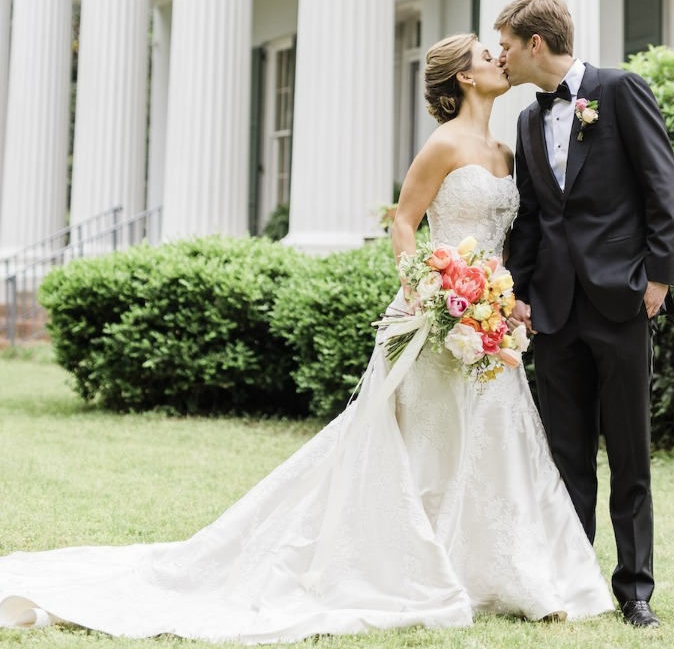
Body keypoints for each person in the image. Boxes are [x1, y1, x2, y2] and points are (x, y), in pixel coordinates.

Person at [0, 33, 613, 642]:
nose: (499, 59)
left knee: (496, 435)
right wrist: (426, 292)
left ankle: (507, 571)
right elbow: (404, 222)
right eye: (487, 55)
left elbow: (506, 239)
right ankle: (416, 563)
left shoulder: (506, 151)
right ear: (464, 78)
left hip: (488, 319)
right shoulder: (443, 145)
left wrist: (498, 300)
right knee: (429, 441)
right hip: (434, 317)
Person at [495, 0, 674, 630]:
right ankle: (576, 582)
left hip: (620, 296)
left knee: (629, 451)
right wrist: (519, 291)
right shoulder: (525, 121)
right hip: (553, 307)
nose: (503, 56)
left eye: (508, 45)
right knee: (565, 454)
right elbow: (531, 217)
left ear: (537, 45)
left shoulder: (620, 89)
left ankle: (635, 590)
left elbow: (662, 187)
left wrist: (658, 275)